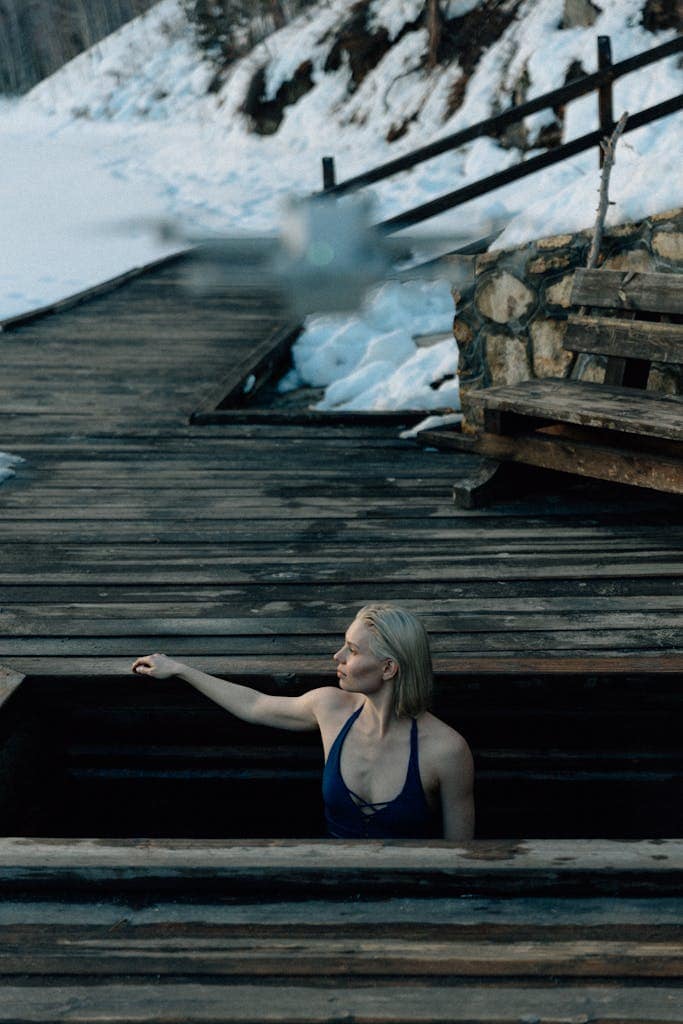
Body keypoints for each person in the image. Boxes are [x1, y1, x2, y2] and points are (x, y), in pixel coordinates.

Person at [131, 603, 474, 840]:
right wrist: (180, 670)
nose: (337, 656)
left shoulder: (447, 750)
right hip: (328, 886)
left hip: (412, 900)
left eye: (352, 651)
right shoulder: (331, 708)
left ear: (388, 668)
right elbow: (255, 704)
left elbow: (462, 856)